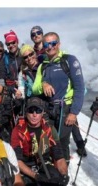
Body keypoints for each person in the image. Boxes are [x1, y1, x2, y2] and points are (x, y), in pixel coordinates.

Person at [11, 97, 69, 186]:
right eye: (31, 110)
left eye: (38, 110)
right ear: (26, 112)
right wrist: (36, 176)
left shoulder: (49, 128)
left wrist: (63, 174)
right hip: (26, 166)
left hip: (43, 162)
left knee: (59, 179)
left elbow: (58, 155)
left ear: (43, 112)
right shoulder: (18, 130)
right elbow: (18, 161)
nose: (34, 114)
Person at [32, 32, 87, 162]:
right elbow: (35, 89)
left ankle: (63, 174)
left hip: (65, 109)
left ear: (59, 44)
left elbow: (80, 88)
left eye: (53, 43)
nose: (50, 47)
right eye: (46, 44)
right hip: (49, 108)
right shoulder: (43, 66)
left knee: (62, 143)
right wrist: (43, 84)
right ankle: (48, 168)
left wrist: (74, 113)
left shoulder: (69, 61)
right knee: (45, 140)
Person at [0, 30, 22, 95]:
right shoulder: (4, 60)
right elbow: (1, 78)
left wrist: (21, 83)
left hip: (24, 88)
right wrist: (0, 90)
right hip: (10, 91)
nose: (11, 46)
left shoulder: (24, 56)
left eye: (13, 42)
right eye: (8, 44)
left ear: (17, 42)